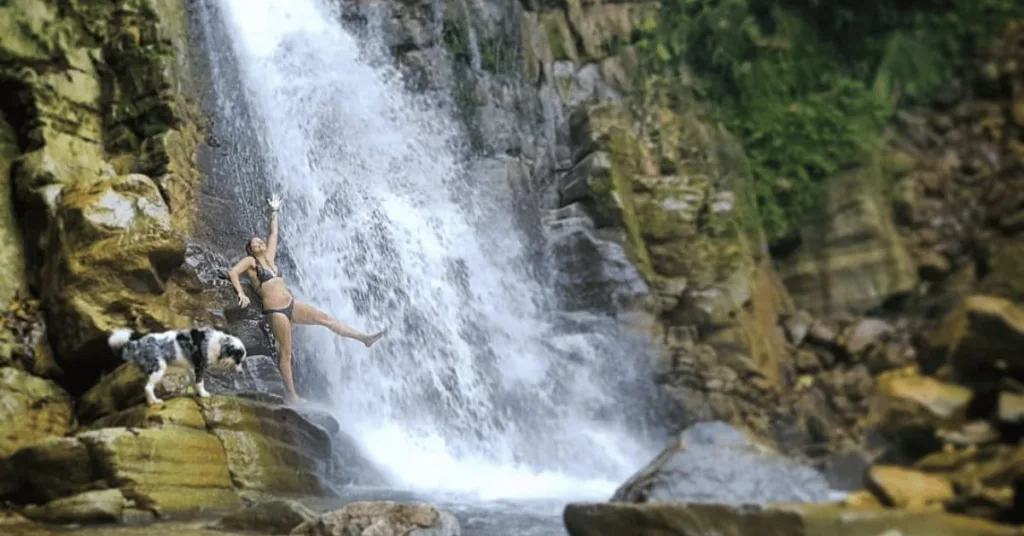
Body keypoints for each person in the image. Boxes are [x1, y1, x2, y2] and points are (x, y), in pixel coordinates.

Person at [228, 194, 385, 402]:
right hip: (276, 312)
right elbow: (233, 273)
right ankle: (293, 396)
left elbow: (273, 232)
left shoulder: (270, 259)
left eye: (259, 241)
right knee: (286, 352)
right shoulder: (251, 262)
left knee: (326, 319)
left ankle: (364, 338)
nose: (259, 243)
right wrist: (240, 293)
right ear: (250, 249)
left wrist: (274, 211)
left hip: (291, 305)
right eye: (254, 243)